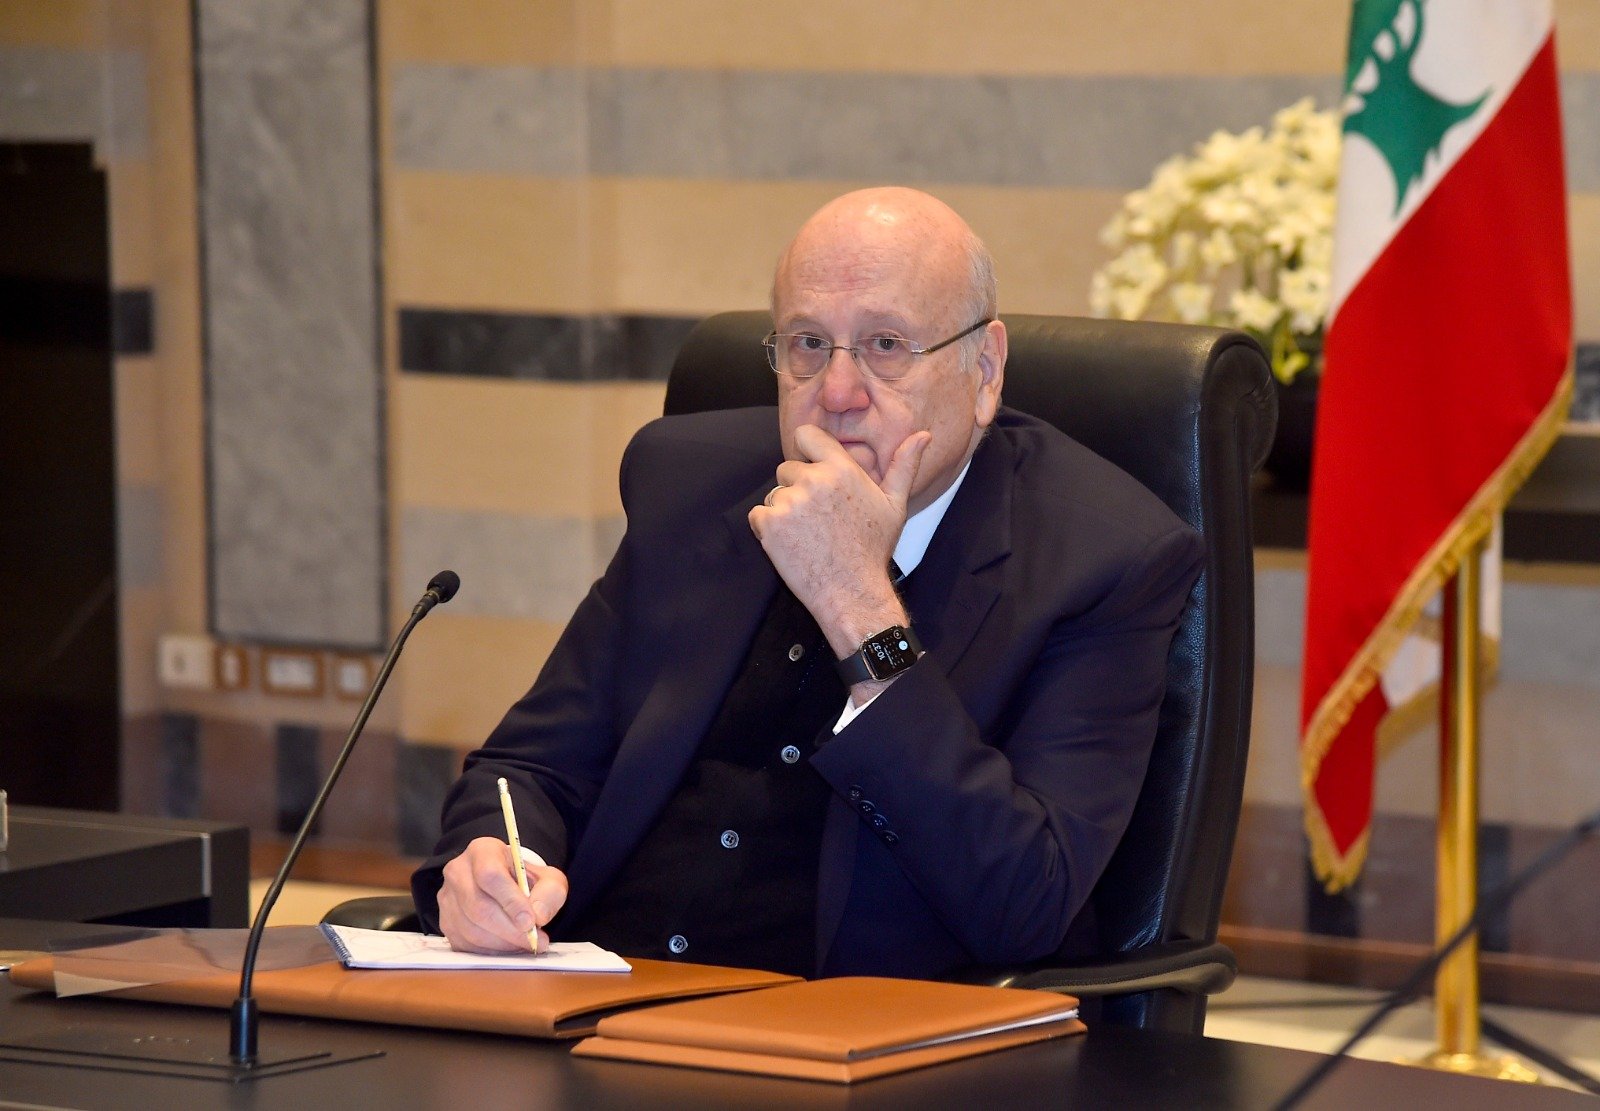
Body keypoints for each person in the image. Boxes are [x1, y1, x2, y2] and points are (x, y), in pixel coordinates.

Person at [412, 187, 1203, 980]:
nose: (837, 392)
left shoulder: (1105, 559)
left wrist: (858, 604)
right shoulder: (687, 484)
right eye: (809, 343)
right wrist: (494, 863)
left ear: (985, 369)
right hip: (599, 989)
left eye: (886, 344)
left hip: (850, 1025)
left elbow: (1023, 904)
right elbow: (531, 766)